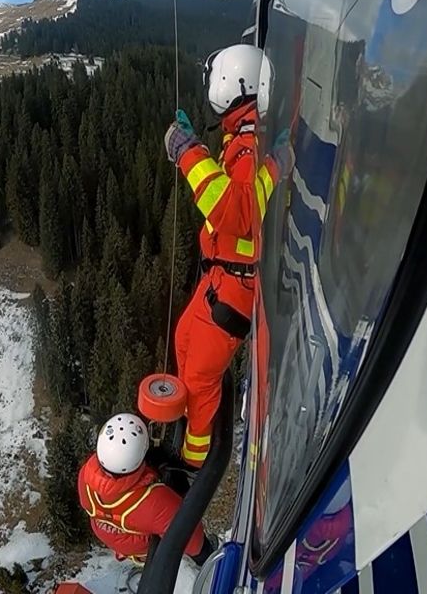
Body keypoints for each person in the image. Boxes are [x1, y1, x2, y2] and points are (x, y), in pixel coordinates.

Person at [163, 44, 287, 468]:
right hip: (220, 279)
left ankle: (194, 464)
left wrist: (188, 152)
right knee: (181, 338)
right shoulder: (243, 136)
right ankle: (187, 425)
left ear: (233, 87)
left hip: (235, 287)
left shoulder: (248, 144)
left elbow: (238, 212)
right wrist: (196, 145)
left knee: (199, 377)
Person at [77, 413, 215, 564]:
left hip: (107, 532)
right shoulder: (153, 502)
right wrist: (204, 554)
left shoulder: (85, 475)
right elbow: (192, 540)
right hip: (140, 543)